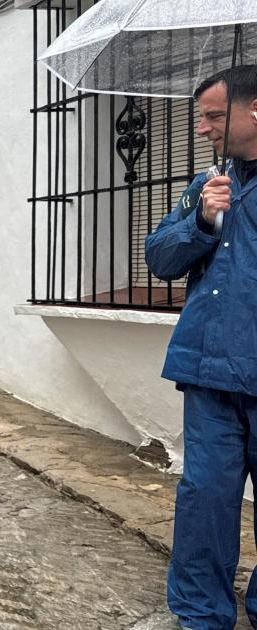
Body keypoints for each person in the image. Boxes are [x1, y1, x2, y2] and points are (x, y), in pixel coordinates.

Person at [145, 65, 257, 630]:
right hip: (209, 373)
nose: (203, 128)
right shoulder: (205, 183)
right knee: (205, 498)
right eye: (201, 117)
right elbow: (160, 258)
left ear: (255, 110)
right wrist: (203, 222)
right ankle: (200, 614)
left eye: (215, 115)